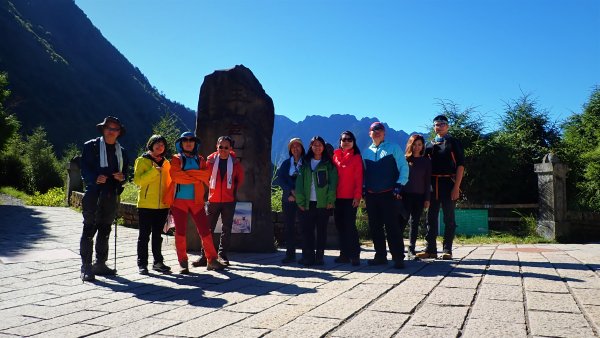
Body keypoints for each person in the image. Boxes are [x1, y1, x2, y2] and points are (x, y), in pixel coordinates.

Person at [164, 132, 226, 273]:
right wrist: (196, 176)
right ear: (181, 143)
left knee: (205, 230)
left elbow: (206, 175)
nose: (188, 142)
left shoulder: (200, 159)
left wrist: (187, 174)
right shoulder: (176, 159)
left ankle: (212, 260)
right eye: (185, 140)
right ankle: (183, 262)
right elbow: (176, 176)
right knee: (180, 232)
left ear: (195, 143)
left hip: (197, 201)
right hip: (179, 201)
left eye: (191, 140)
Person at [79, 116, 129, 282]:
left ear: (119, 132)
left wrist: (122, 177)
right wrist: (94, 178)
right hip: (93, 192)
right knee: (89, 228)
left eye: (115, 129)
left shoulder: (122, 151)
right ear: (103, 129)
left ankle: (100, 264)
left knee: (105, 229)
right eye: (109, 128)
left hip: (110, 194)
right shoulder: (91, 146)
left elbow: (126, 174)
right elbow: (84, 168)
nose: (111, 131)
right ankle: (86, 266)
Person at [417, 115, 464, 260]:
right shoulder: (429, 145)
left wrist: (456, 187)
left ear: (447, 126)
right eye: (437, 124)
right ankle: (430, 249)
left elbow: (460, 166)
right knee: (430, 218)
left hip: (448, 184)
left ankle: (447, 249)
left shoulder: (453, 143)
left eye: (442, 124)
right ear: (434, 127)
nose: (439, 126)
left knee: (449, 218)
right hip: (432, 185)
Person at [362, 121, 409, 269]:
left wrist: (399, 184)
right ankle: (380, 256)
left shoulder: (393, 148)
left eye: (380, 130)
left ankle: (398, 257)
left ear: (384, 133)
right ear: (369, 133)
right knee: (375, 227)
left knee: (392, 226)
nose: (377, 132)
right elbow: (363, 173)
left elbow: (403, 166)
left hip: (389, 193)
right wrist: (363, 188)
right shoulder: (366, 152)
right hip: (371, 195)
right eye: (374, 130)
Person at [193, 136, 244, 266]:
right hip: (213, 200)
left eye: (226, 147)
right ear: (217, 146)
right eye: (220, 147)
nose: (223, 150)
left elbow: (240, 178)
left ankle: (222, 255)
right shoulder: (210, 160)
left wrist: (231, 190)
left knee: (226, 229)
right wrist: (210, 187)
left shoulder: (235, 162)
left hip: (228, 201)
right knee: (207, 229)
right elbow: (204, 175)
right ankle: (205, 256)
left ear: (230, 148)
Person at [295, 136, 338, 266]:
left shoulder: (329, 164)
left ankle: (319, 257)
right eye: (314, 145)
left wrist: (330, 200)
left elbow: (333, 184)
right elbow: (299, 184)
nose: (317, 147)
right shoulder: (304, 163)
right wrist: (300, 201)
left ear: (323, 147)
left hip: (323, 203)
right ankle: (308, 256)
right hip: (308, 203)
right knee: (307, 231)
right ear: (311, 147)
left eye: (320, 144)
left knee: (321, 231)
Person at [133, 134, 172, 275]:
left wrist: (170, 201)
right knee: (143, 236)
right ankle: (142, 264)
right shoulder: (142, 160)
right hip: (145, 204)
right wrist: (154, 172)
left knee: (157, 236)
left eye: (162, 144)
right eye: (157, 143)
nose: (159, 146)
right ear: (151, 144)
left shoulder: (167, 163)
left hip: (162, 206)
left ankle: (158, 262)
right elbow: (138, 181)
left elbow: (169, 184)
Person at [332, 131, 363, 266]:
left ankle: (355, 255)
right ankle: (344, 255)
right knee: (340, 227)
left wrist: (357, 196)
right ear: (340, 141)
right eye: (344, 139)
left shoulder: (356, 158)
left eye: (349, 139)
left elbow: (359, 179)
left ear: (353, 142)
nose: (346, 141)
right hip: (337, 198)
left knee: (350, 227)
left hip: (350, 198)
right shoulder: (335, 156)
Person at [275, 138, 305, 264]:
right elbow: (279, 179)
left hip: (302, 199)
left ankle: (306, 254)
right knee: (289, 227)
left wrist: (298, 194)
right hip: (288, 199)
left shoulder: (306, 163)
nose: (295, 149)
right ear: (290, 150)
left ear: (302, 149)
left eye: (298, 146)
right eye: (293, 147)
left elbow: (309, 180)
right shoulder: (286, 163)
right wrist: (290, 192)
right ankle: (290, 254)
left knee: (304, 227)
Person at [402, 134, 431, 258]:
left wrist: (427, 199)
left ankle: (411, 249)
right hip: (405, 195)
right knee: (402, 221)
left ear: (423, 146)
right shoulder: (405, 160)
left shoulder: (426, 161)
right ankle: (397, 247)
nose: (416, 147)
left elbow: (427, 181)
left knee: (415, 223)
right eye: (414, 144)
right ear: (410, 144)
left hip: (419, 196)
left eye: (419, 144)